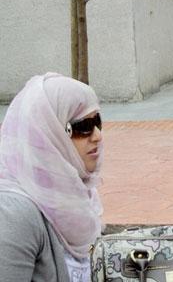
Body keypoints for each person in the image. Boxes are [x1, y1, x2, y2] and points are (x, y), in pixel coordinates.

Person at [0, 72, 104, 281]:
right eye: (82, 127)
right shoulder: (14, 215)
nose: (97, 136)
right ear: (50, 133)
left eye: (97, 122)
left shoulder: (79, 193)